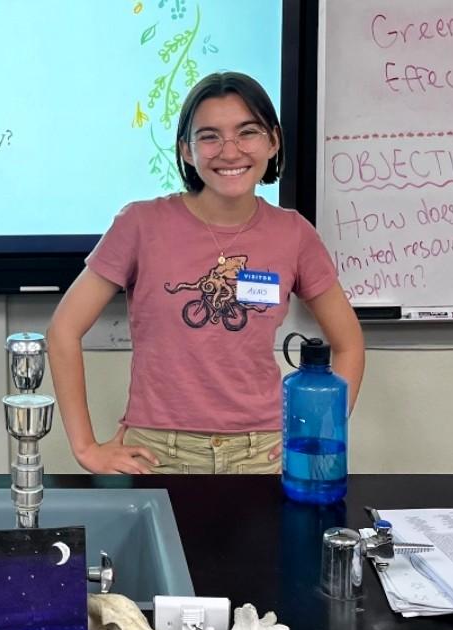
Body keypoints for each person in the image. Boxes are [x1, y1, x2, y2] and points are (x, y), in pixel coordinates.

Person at [47, 71, 364, 475]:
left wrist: (320, 432)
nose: (229, 151)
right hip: (158, 452)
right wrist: (86, 448)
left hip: (262, 453)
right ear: (186, 150)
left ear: (273, 141)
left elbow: (349, 343)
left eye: (247, 132)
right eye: (210, 136)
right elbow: (63, 331)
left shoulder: (294, 233)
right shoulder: (140, 225)